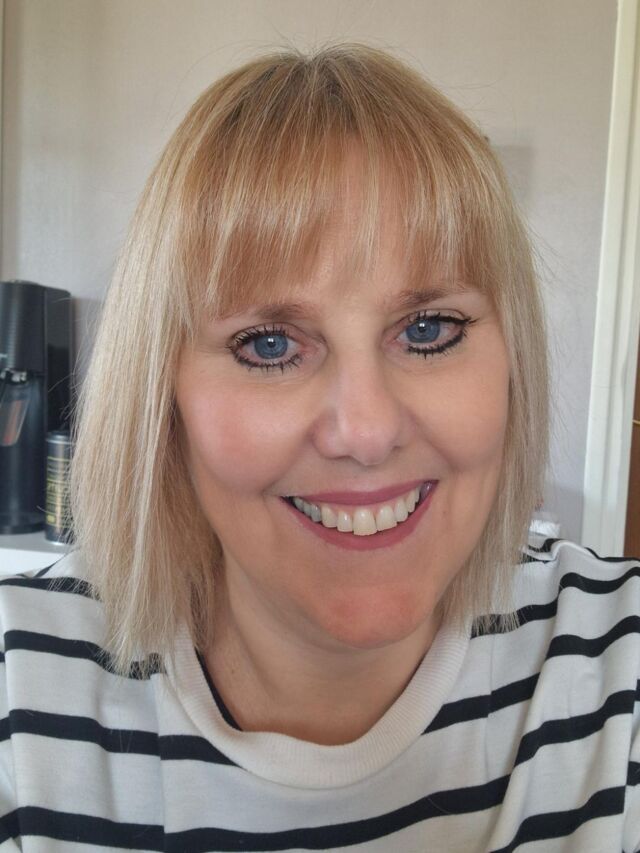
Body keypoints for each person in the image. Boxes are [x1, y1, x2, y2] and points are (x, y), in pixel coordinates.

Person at [0, 43, 638, 852]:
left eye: (428, 329)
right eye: (269, 344)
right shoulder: (21, 683)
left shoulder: (613, 662)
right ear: (164, 396)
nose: (365, 432)